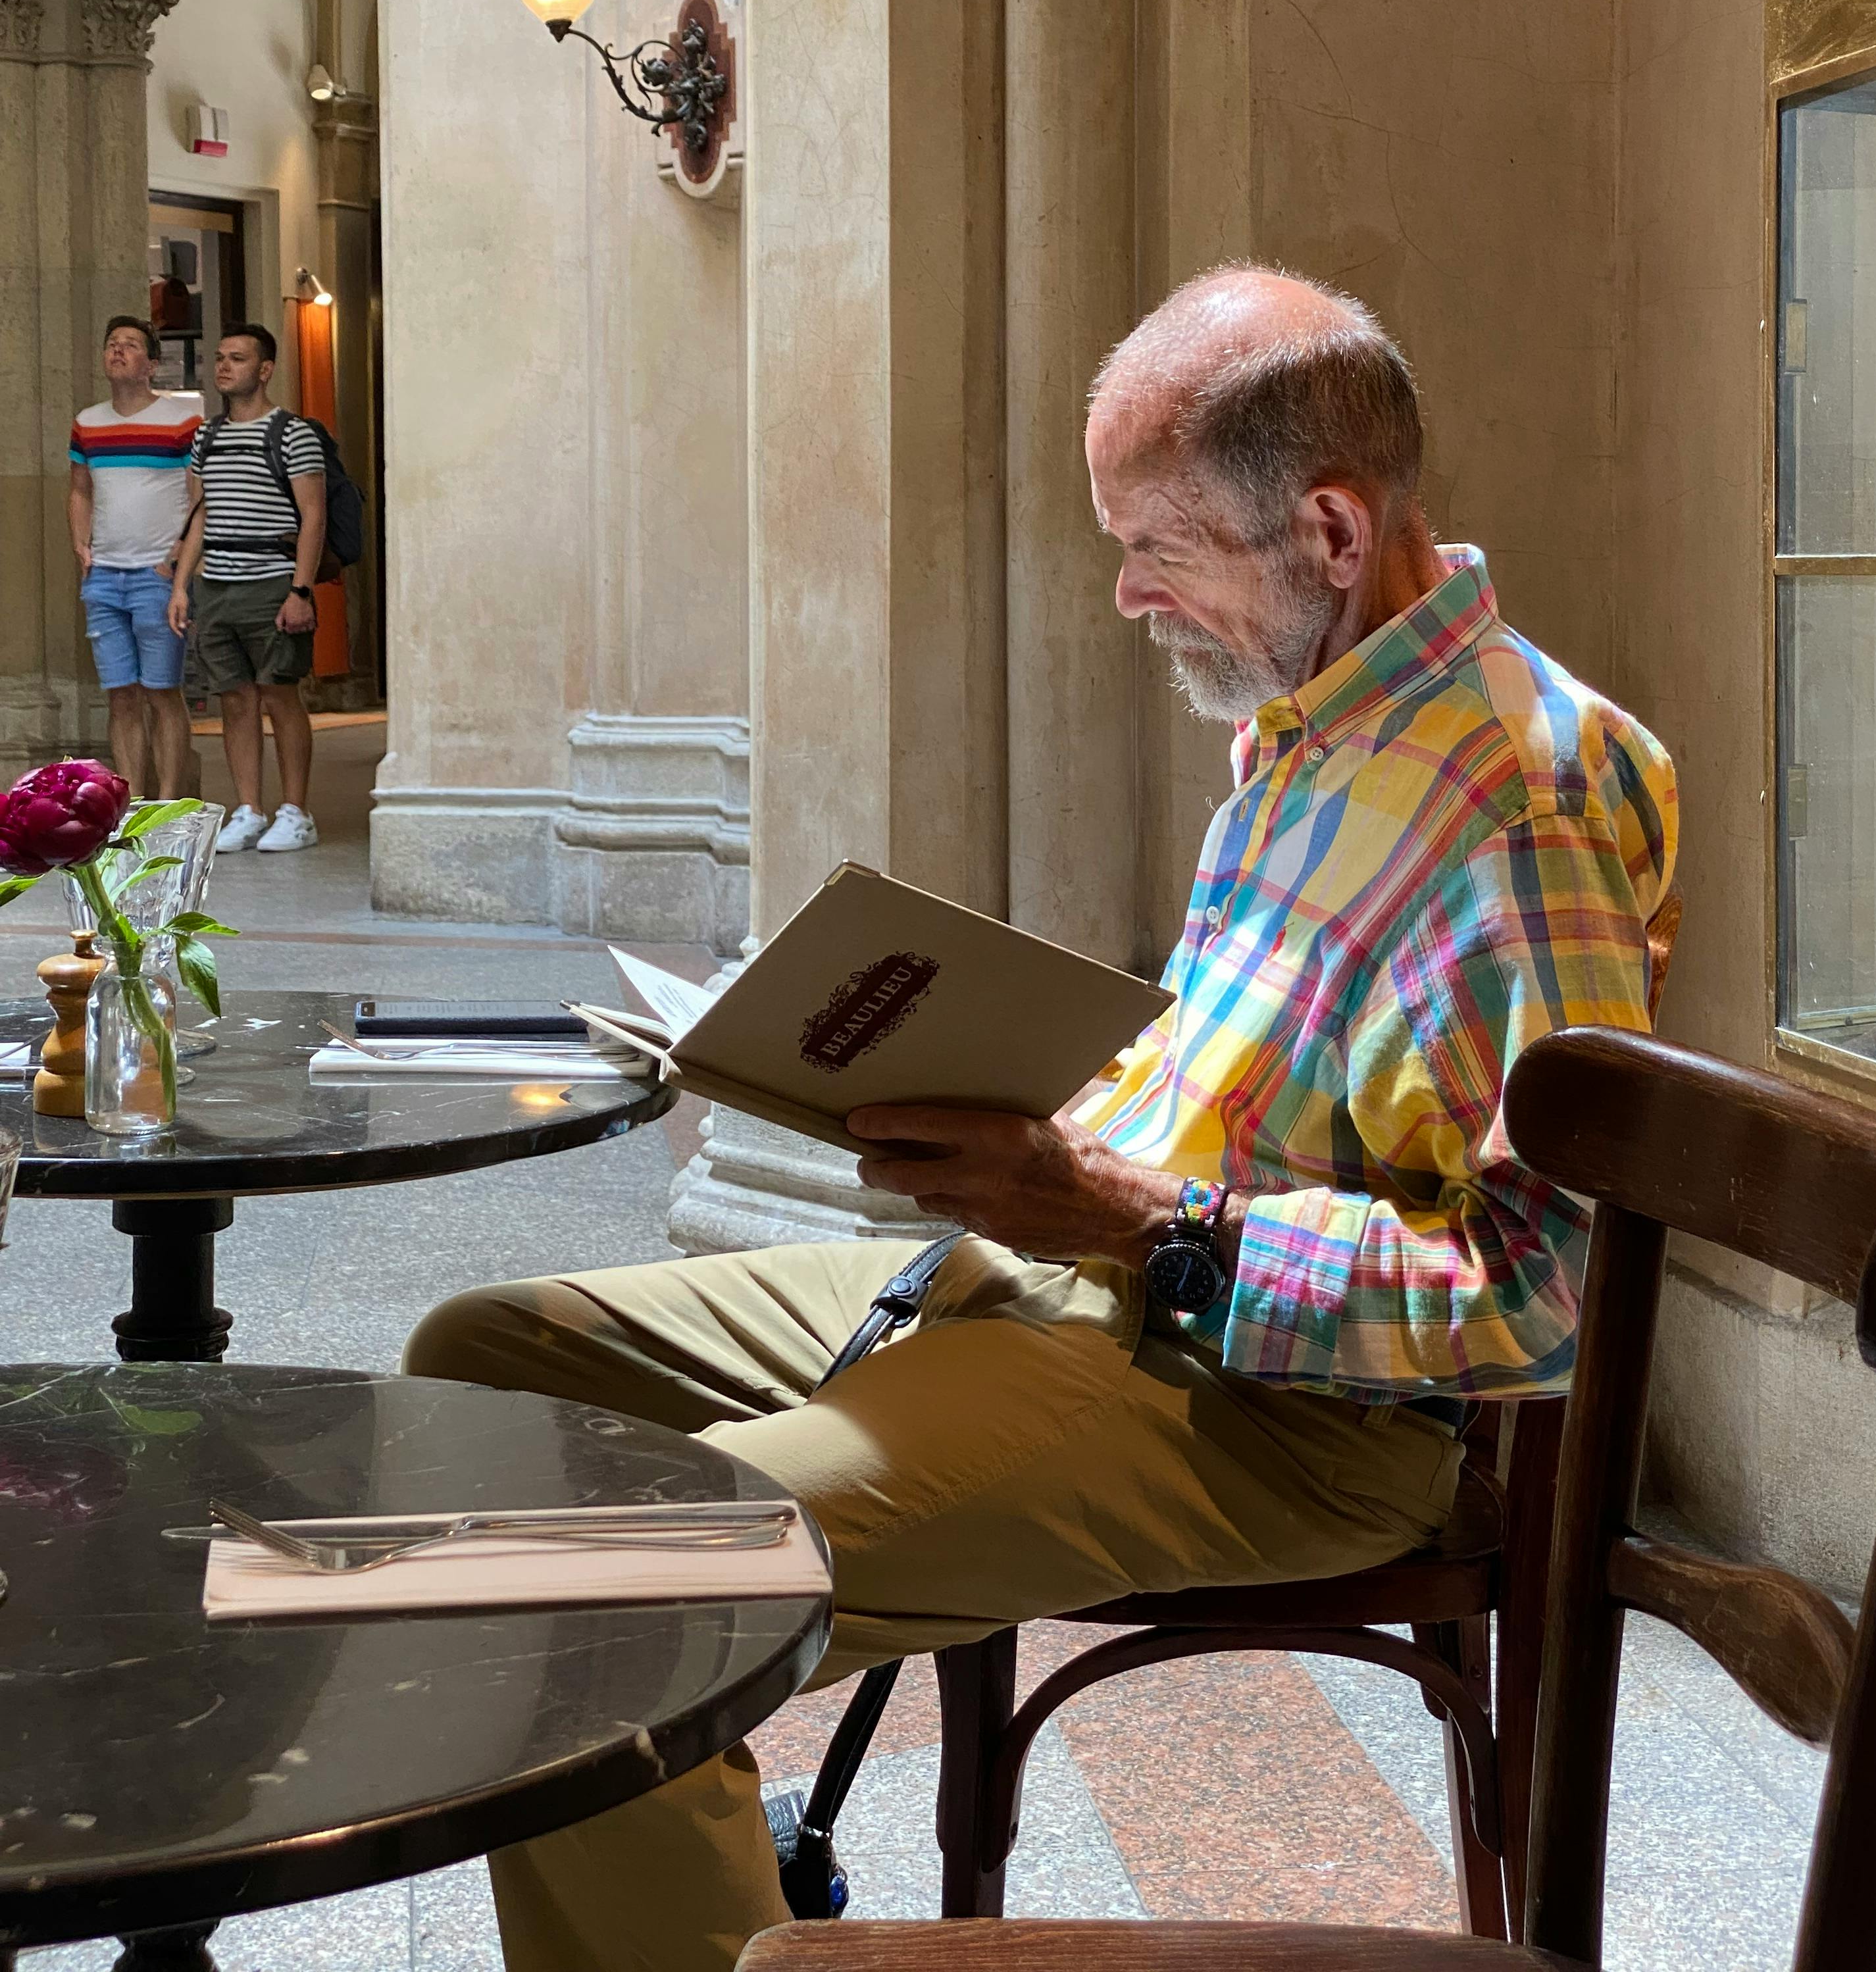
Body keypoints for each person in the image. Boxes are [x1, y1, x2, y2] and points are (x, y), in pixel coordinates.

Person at [405, 265, 1679, 1972]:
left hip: (1283, 1408)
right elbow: (1281, 1096)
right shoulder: (1311, 734)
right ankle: (651, 1841)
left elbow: (1545, 1298)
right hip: (1079, 1286)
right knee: (484, 1355)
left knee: (631, 1593)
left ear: (1327, 530)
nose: (1126, 592)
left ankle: (654, 1819)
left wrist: (1113, 1213)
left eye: (1155, 544)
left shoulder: (1517, 795)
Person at [167, 324, 324, 855]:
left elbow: (314, 516)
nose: (223, 367)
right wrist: (183, 586)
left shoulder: (294, 433)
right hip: (218, 585)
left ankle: (297, 812)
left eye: (237, 358)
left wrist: (300, 590)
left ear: (265, 369)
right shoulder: (206, 436)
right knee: (234, 700)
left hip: (272, 581)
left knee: (281, 695)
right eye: (219, 358)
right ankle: (250, 809)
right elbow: (200, 513)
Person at [68, 314, 203, 799]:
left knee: (163, 691)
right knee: (121, 694)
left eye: (129, 345)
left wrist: (182, 560)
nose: (118, 351)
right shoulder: (88, 422)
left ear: (151, 363)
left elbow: (198, 496)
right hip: (104, 574)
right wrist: (81, 543)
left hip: (156, 574)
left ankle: (167, 800)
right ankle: (131, 801)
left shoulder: (183, 422)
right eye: (112, 344)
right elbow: (80, 488)